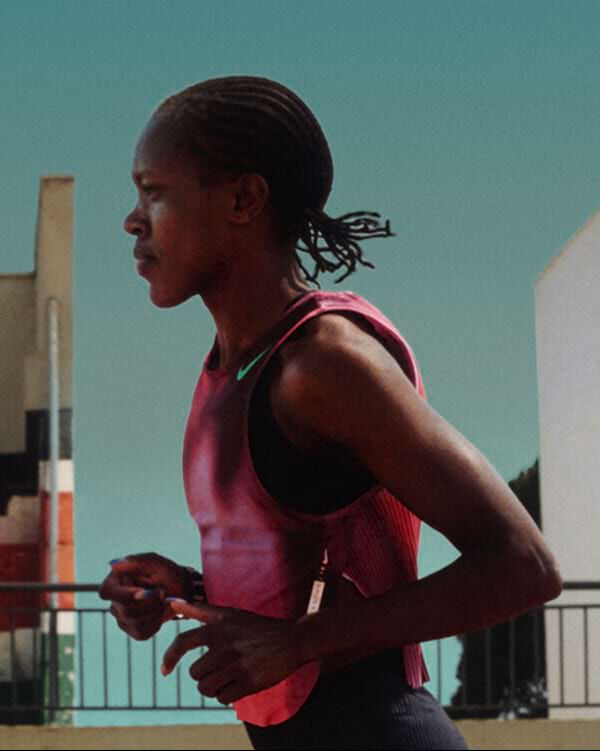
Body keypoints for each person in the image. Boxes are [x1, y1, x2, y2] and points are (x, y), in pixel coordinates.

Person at [99, 76, 562, 750]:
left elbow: (523, 565)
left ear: (244, 199)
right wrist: (188, 591)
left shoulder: (325, 363)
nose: (133, 220)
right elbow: (306, 581)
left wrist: (298, 643)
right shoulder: (237, 364)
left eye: (153, 192)